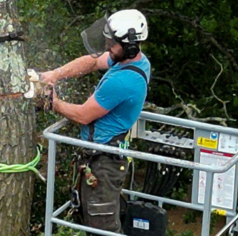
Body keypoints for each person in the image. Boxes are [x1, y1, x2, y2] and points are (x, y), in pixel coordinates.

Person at [41, 9, 151, 235]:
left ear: (130, 45)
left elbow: (83, 115)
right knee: (90, 218)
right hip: (99, 158)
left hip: (104, 163)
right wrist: (55, 74)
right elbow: (91, 63)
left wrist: (53, 102)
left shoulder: (123, 81)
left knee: (103, 228)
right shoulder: (130, 60)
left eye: (112, 42)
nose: (108, 46)